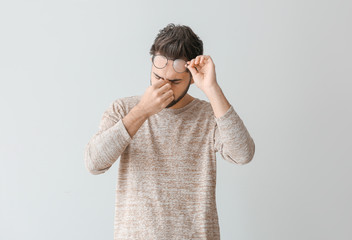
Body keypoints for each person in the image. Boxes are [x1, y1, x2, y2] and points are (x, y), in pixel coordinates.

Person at [84, 23, 255, 240]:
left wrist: (212, 88)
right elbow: (94, 163)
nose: (163, 87)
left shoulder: (208, 116)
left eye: (174, 81)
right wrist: (142, 111)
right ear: (151, 64)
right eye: (157, 77)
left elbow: (243, 153)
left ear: (192, 77)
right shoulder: (123, 110)